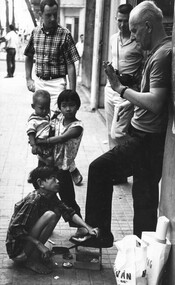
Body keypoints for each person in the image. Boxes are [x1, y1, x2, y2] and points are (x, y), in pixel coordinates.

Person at [71, 1, 172, 247]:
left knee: (99, 169)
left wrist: (121, 88)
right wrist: (125, 81)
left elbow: (157, 102)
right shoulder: (160, 51)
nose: (134, 38)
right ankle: (141, 251)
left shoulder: (162, 55)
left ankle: (99, 233)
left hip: (146, 141)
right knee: (144, 199)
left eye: (136, 31)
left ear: (148, 26)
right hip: (147, 138)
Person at [24, 0, 83, 186]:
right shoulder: (35, 33)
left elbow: (70, 65)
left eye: (54, 15)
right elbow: (28, 57)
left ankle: (68, 168)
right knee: (41, 127)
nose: (52, 18)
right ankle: (42, 172)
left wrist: (71, 92)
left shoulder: (64, 34)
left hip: (58, 85)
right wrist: (28, 79)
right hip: (41, 84)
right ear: (41, 14)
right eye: (48, 15)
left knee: (57, 128)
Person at [6, 166, 98, 274]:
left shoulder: (51, 195)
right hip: (18, 252)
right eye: (53, 179)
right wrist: (38, 244)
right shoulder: (33, 200)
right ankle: (32, 260)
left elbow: (69, 212)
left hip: (28, 245)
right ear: (41, 183)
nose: (58, 181)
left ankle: (35, 254)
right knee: (50, 215)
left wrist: (88, 228)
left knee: (57, 212)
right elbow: (15, 229)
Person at [36, 90, 83, 223]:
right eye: (64, 105)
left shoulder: (77, 126)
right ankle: (43, 223)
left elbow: (61, 138)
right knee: (43, 195)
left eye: (72, 105)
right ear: (59, 106)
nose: (68, 109)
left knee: (67, 199)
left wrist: (40, 142)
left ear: (78, 106)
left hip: (62, 168)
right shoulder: (57, 118)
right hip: (47, 162)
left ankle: (80, 227)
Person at [104, 4, 144, 151]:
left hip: (126, 92)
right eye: (119, 20)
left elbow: (144, 66)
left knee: (118, 133)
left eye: (125, 21)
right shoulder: (113, 39)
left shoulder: (138, 41)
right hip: (110, 88)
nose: (122, 24)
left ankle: (137, 155)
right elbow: (113, 60)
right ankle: (116, 171)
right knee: (110, 133)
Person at [27, 90, 54, 166]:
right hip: (41, 144)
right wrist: (33, 145)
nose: (45, 111)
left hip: (48, 142)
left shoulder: (46, 115)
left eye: (47, 108)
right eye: (41, 108)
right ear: (33, 106)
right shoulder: (33, 120)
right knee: (49, 160)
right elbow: (31, 133)